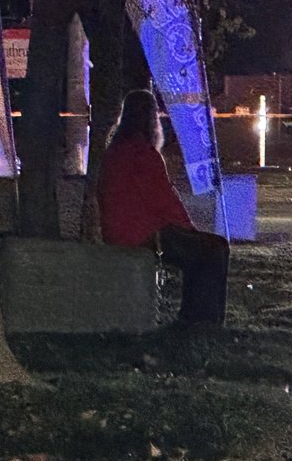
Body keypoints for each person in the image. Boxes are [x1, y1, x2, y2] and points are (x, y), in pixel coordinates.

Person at [98, 90, 229, 325]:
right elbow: (165, 201)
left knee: (200, 250)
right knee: (215, 249)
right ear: (151, 120)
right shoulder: (143, 154)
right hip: (143, 235)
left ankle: (192, 318)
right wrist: (189, 229)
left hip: (119, 232)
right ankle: (201, 321)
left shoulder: (115, 151)